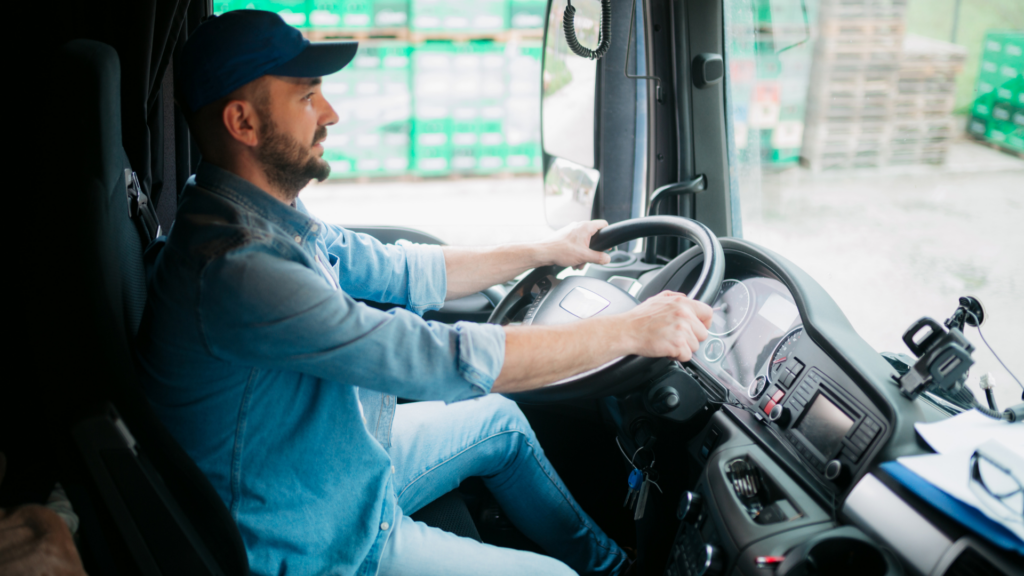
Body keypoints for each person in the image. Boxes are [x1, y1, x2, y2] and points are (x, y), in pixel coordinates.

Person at [138, 10, 713, 576]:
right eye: (308, 96)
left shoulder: (256, 215)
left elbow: (398, 268)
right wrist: (628, 330)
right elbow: (437, 358)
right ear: (244, 123)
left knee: (499, 422)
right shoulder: (239, 268)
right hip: (311, 533)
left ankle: (613, 568)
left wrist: (545, 250)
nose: (331, 113)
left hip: (330, 463)